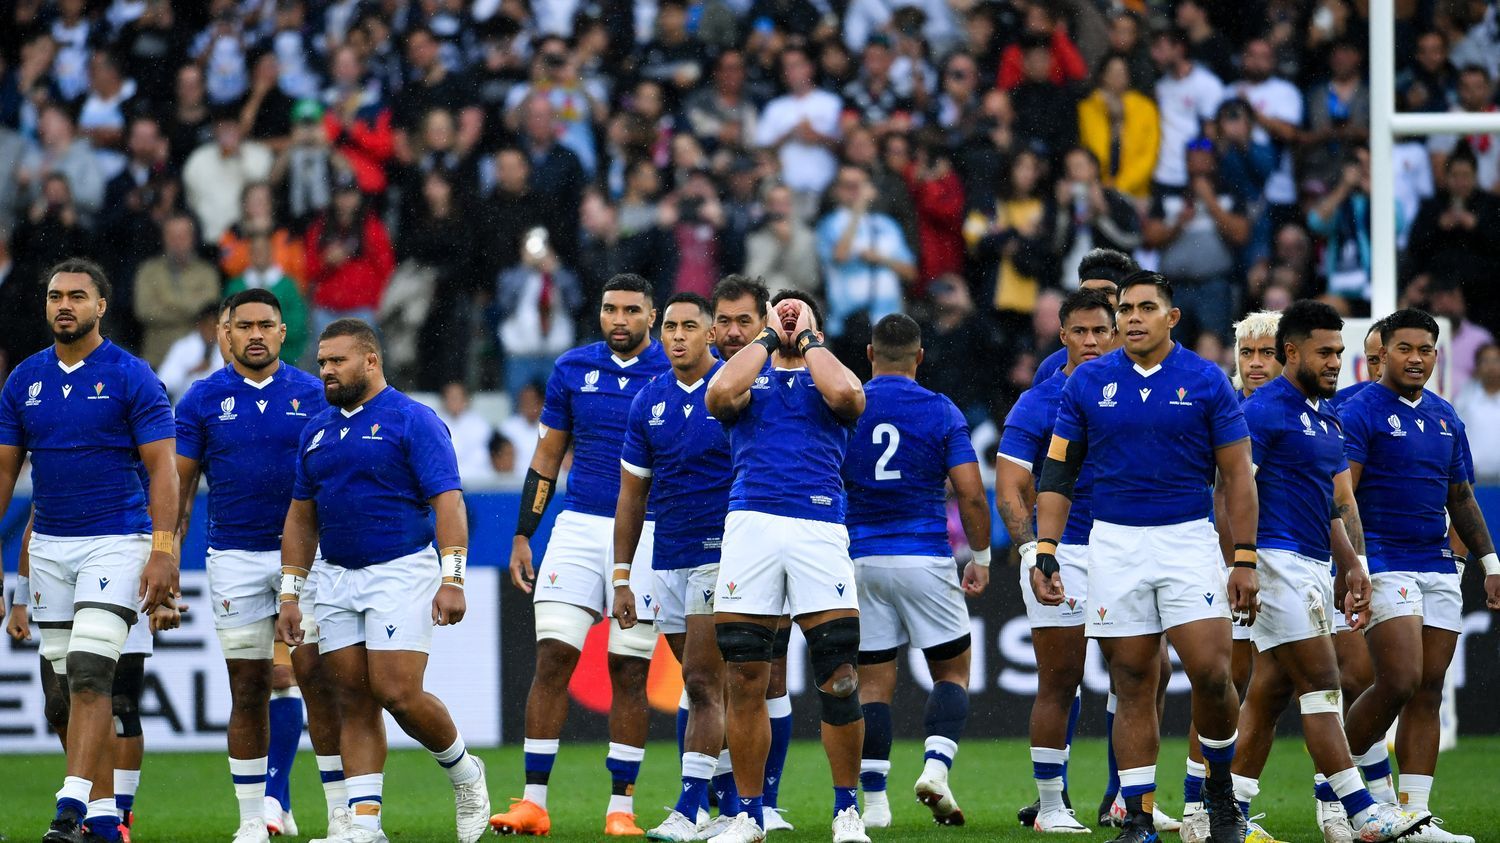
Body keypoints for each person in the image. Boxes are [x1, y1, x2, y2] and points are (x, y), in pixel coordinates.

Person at [1033, 271, 1257, 843]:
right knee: (1132, 679)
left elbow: (1237, 476)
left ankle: (1221, 796)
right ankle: (1136, 817)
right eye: (1125, 309)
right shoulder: (1087, 384)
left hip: (1187, 541)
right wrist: (1047, 548)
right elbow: (1058, 470)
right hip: (1114, 543)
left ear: (1171, 317)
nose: (1132, 318)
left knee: (1211, 673)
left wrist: (1245, 558)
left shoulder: (1207, 381)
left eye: (1145, 308)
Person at [1221, 301, 1434, 843]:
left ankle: (1222, 814)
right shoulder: (1262, 411)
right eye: (1326, 352)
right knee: (1322, 683)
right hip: (1274, 559)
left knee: (1268, 691)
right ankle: (1362, 812)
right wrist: (1240, 561)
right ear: (1291, 352)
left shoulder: (1325, 414)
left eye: (1340, 352)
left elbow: (1332, 505)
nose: (1337, 361)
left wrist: (1353, 567)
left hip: (1313, 560)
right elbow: (1233, 492)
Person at [275, 318, 490, 843]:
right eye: (322, 362)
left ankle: (466, 774)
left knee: (396, 691)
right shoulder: (316, 431)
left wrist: (453, 577)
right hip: (335, 575)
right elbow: (301, 517)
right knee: (351, 697)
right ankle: (366, 825)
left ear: (370, 361)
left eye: (337, 360)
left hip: (401, 570)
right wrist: (290, 592)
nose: (325, 370)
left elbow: (448, 501)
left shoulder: (413, 419)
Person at [0, 258, 180, 843]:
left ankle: (69, 806)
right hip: (50, 545)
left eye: (77, 295)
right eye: (55, 296)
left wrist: (162, 549)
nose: (64, 305)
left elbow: (164, 471)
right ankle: (104, 820)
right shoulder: (23, 380)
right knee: (61, 701)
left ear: (101, 306)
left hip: (117, 542)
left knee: (89, 673)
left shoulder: (132, 376)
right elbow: (4, 477)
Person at [491, 275, 669, 837]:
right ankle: (533, 803)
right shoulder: (572, 369)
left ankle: (621, 809)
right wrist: (524, 534)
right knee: (552, 660)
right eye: (609, 308)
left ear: (652, 315)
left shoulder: (676, 368)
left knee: (629, 670)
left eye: (631, 311)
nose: (619, 319)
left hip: (647, 531)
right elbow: (547, 458)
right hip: (578, 526)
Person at [174, 288, 345, 843]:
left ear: (281, 332)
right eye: (242, 325)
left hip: (309, 557)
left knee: (315, 680)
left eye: (264, 325)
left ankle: (341, 813)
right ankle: (254, 817)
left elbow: (339, 475)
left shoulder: (314, 393)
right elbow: (179, 488)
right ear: (225, 333)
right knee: (248, 688)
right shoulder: (201, 399)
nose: (253, 334)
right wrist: (165, 555)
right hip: (234, 556)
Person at [703, 290, 868, 843]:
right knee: (745, 676)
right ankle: (749, 815)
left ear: (818, 319)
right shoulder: (748, 379)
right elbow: (719, 393)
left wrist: (811, 339)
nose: (790, 317)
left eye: (800, 309)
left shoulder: (832, 376)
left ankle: (847, 811)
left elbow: (848, 395)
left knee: (840, 676)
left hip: (818, 526)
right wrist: (768, 336)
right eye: (783, 308)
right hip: (750, 527)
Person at [1339, 310, 1500, 843]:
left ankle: (1413, 816)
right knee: (1401, 679)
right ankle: (1346, 777)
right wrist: (1354, 565)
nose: (1415, 358)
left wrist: (1489, 562)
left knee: (1429, 689)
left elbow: (1461, 497)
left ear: (1437, 354)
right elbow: (1343, 498)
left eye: (1425, 350)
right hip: (1383, 560)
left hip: (1437, 564)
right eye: (1404, 348)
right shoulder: (1360, 410)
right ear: (1379, 354)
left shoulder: (1445, 416)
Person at [846, 313, 992, 829]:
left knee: (872, 687)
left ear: (869, 354)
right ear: (920, 357)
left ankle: (876, 806)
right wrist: (982, 555)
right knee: (952, 671)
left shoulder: (849, 403)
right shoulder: (941, 410)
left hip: (860, 557)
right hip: (925, 555)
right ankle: (935, 768)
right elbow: (971, 493)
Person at [612, 291, 741, 841]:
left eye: (691, 326)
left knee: (703, 682)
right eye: (670, 327)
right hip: (667, 557)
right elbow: (631, 496)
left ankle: (689, 808)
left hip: (723, 554)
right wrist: (622, 575)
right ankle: (738, 808)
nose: (679, 335)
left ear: (710, 334)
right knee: (704, 688)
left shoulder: (735, 391)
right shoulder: (648, 401)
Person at [997, 288, 1115, 834]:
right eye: (1080, 332)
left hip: (1125, 548)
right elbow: (1011, 486)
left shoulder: (1135, 397)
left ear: (1114, 335)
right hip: (1061, 551)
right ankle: (1050, 806)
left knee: (1145, 674)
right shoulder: (1038, 401)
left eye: (1100, 331)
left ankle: (1127, 799)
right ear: (1062, 335)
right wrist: (1033, 554)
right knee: (1060, 678)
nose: (1090, 342)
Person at [7, 509, 180, 843]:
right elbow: (35, 524)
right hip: (60, 575)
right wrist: (20, 600)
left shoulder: (136, 465)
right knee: (59, 706)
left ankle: (115, 815)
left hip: (122, 573)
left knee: (118, 702)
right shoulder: (58, 469)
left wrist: (169, 591)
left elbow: (168, 518)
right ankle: (100, 809)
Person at [815, 165, 917, 338]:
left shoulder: (888, 224)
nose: (855, 191)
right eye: (848, 185)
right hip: (849, 323)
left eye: (859, 185)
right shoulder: (828, 224)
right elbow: (840, 255)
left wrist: (881, 259)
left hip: (889, 321)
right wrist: (858, 209)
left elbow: (911, 273)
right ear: (836, 191)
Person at [133, 213, 223, 368]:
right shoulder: (148, 270)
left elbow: (209, 313)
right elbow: (144, 311)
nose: (177, 242)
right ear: (163, 238)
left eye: (183, 235)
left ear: (193, 238)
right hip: (156, 359)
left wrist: (166, 303)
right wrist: (192, 309)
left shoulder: (208, 272)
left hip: (198, 363)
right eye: (172, 236)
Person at [1032, 248, 1135, 385]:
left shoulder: (1148, 362)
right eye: (1087, 292)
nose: (1096, 299)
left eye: (1107, 292)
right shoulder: (1053, 367)